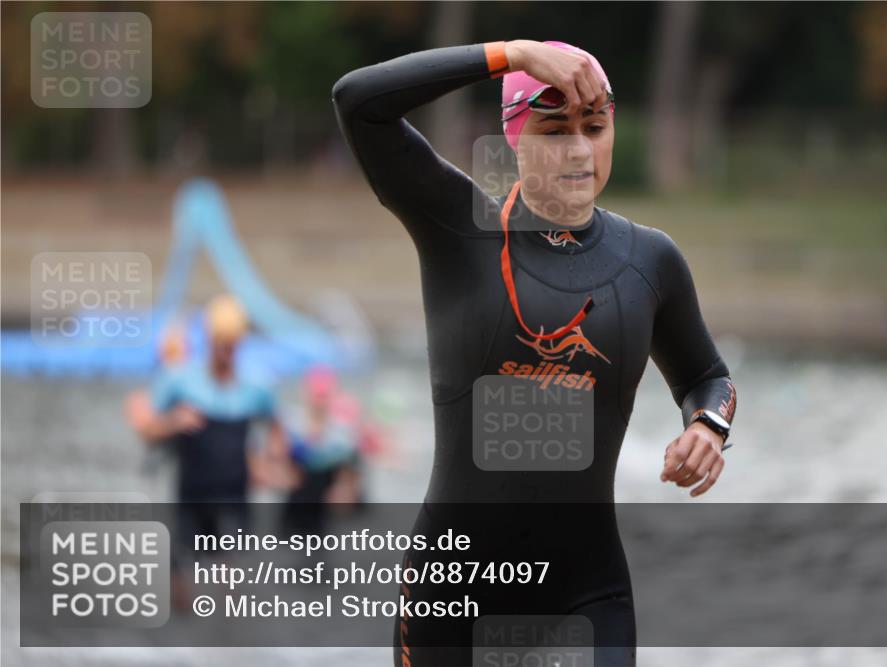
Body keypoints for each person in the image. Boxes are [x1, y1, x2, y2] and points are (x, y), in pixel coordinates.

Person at [333, 40, 737, 666]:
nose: (579, 150)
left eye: (595, 127)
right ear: (514, 136)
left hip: (587, 590)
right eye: (553, 129)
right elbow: (358, 102)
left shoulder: (649, 261)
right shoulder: (459, 231)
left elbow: (706, 376)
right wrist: (509, 53)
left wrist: (708, 426)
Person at [126, 294, 289, 603]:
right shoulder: (181, 381)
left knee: (229, 582)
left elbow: (277, 427)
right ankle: (181, 643)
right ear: (210, 341)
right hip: (191, 492)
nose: (226, 352)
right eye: (221, 343)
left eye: (233, 344)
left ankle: (227, 643)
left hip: (234, 494)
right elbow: (148, 429)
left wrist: (271, 460)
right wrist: (174, 421)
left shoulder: (256, 387)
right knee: (181, 580)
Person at [282, 365, 366, 535]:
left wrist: (346, 488)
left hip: (326, 508)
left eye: (324, 396)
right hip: (295, 503)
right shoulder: (292, 424)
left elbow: (353, 471)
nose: (320, 401)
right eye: (317, 395)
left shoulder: (342, 432)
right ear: (306, 394)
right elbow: (276, 460)